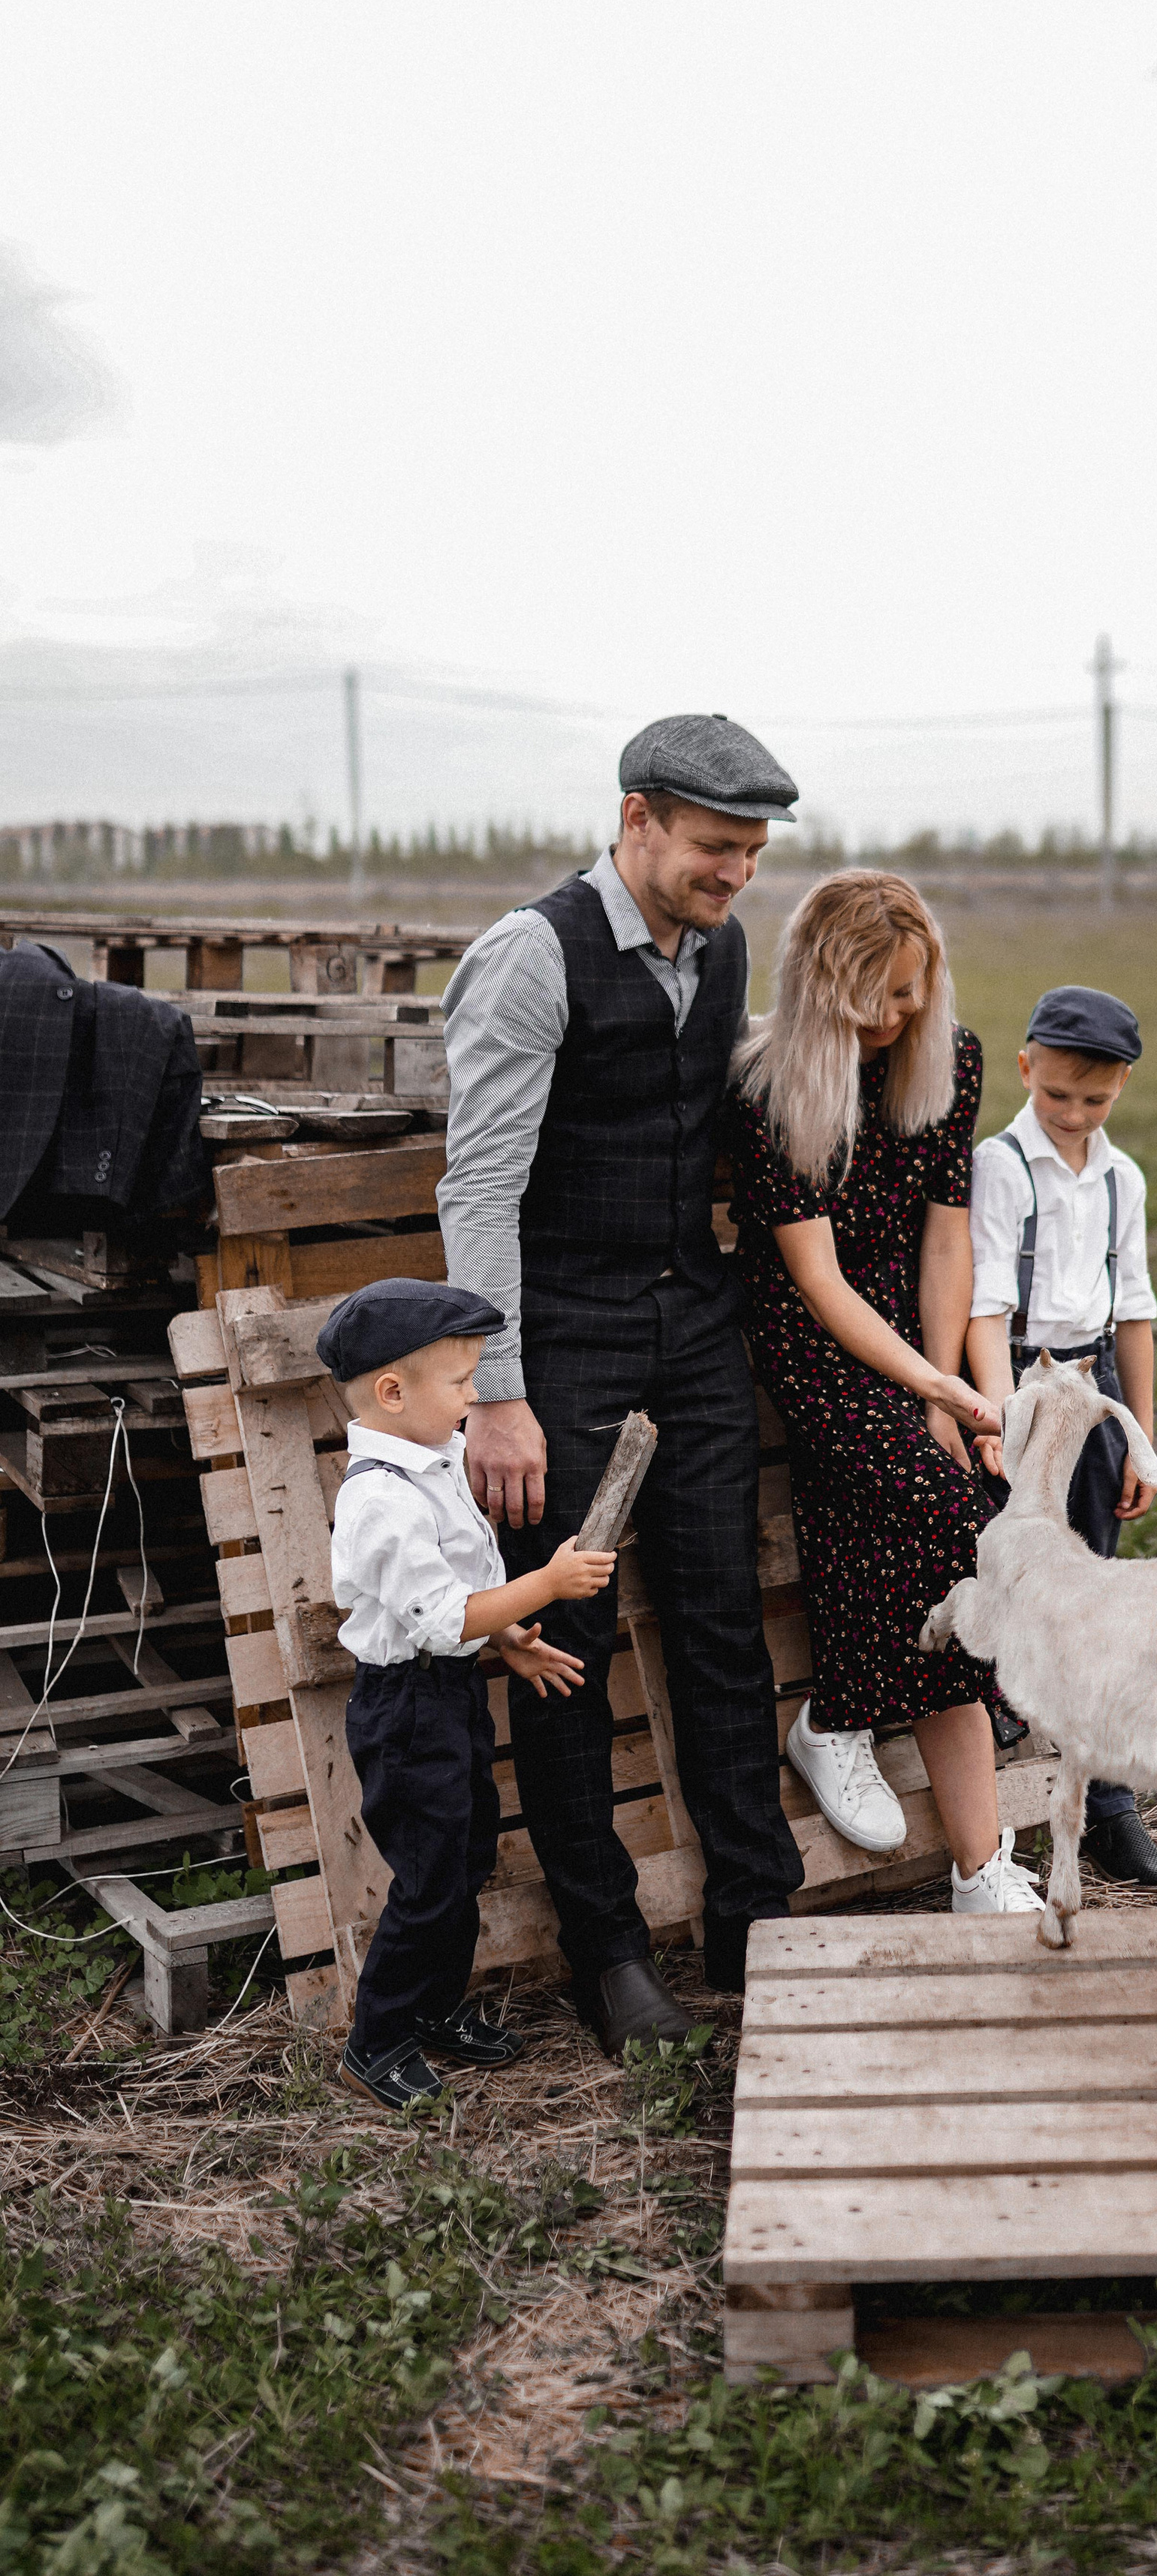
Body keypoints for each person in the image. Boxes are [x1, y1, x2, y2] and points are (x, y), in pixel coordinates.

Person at [438, 715, 806, 2052]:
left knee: (719, 1618)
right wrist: (499, 1388)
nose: (737, 877)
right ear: (638, 816)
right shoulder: (529, 957)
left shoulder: (723, 948)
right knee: (570, 1651)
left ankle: (757, 1922)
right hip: (573, 1342)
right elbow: (476, 1184)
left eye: (754, 855)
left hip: (693, 1326)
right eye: (717, 848)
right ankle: (607, 1951)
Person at [723, 870, 1040, 1912]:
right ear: (823, 994)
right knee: (948, 1508)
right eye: (874, 1001)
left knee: (949, 1514)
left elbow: (947, 1232)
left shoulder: (949, 1057)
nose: (896, 1017)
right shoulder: (768, 1087)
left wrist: (942, 1385)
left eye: (912, 993)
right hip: (813, 1337)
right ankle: (842, 1714)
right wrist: (923, 1387)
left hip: (911, 1323)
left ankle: (969, 1860)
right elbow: (814, 1280)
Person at [319, 1277, 602, 2111]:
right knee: (429, 1877)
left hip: (447, 1692)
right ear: (392, 1391)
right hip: (406, 1710)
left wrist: (507, 1638)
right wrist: (546, 1586)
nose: (475, 1394)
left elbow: (459, 1589)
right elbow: (441, 1620)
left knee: (467, 1855)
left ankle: (432, 2009)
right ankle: (374, 2042)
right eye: (460, 1381)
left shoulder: (433, 1460)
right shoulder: (380, 1500)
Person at [966, 986, 1157, 1888]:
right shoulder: (1000, 1165)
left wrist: (1139, 1439)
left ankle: (1108, 1808)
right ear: (1026, 1069)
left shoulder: (1121, 1178)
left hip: (1091, 1395)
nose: (1073, 1114)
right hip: (1016, 1390)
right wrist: (992, 1416)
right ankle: (1001, 1802)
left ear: (1123, 1087)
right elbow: (985, 1302)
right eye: (1057, 1095)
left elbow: (1133, 1314)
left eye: (1094, 1100)